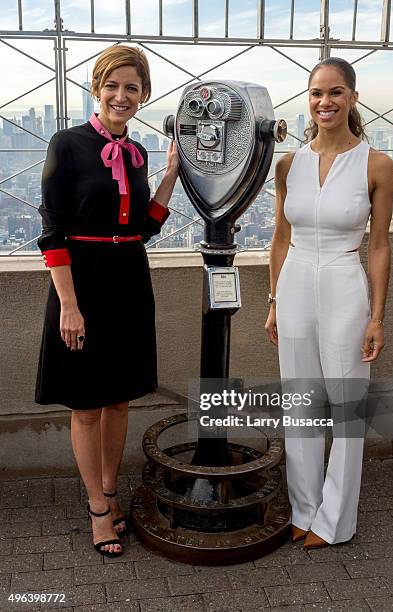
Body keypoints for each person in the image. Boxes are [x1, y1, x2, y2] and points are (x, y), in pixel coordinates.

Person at [35, 45, 179, 558]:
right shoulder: (67, 144)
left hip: (128, 280)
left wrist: (167, 176)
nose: (122, 95)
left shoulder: (137, 152)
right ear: (97, 89)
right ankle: (97, 507)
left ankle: (113, 493)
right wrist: (69, 306)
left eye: (133, 88)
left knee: (119, 399)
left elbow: (141, 230)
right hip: (84, 284)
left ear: (143, 96)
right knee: (88, 405)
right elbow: (52, 232)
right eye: (113, 85)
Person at [265, 57, 393, 549]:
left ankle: (336, 521)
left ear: (353, 99)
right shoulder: (288, 164)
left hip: (345, 282)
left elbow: (379, 244)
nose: (325, 102)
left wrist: (377, 317)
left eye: (336, 92)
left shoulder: (377, 164)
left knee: (346, 409)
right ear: (309, 99)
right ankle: (303, 508)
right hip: (295, 280)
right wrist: (274, 301)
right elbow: (280, 238)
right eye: (318, 93)